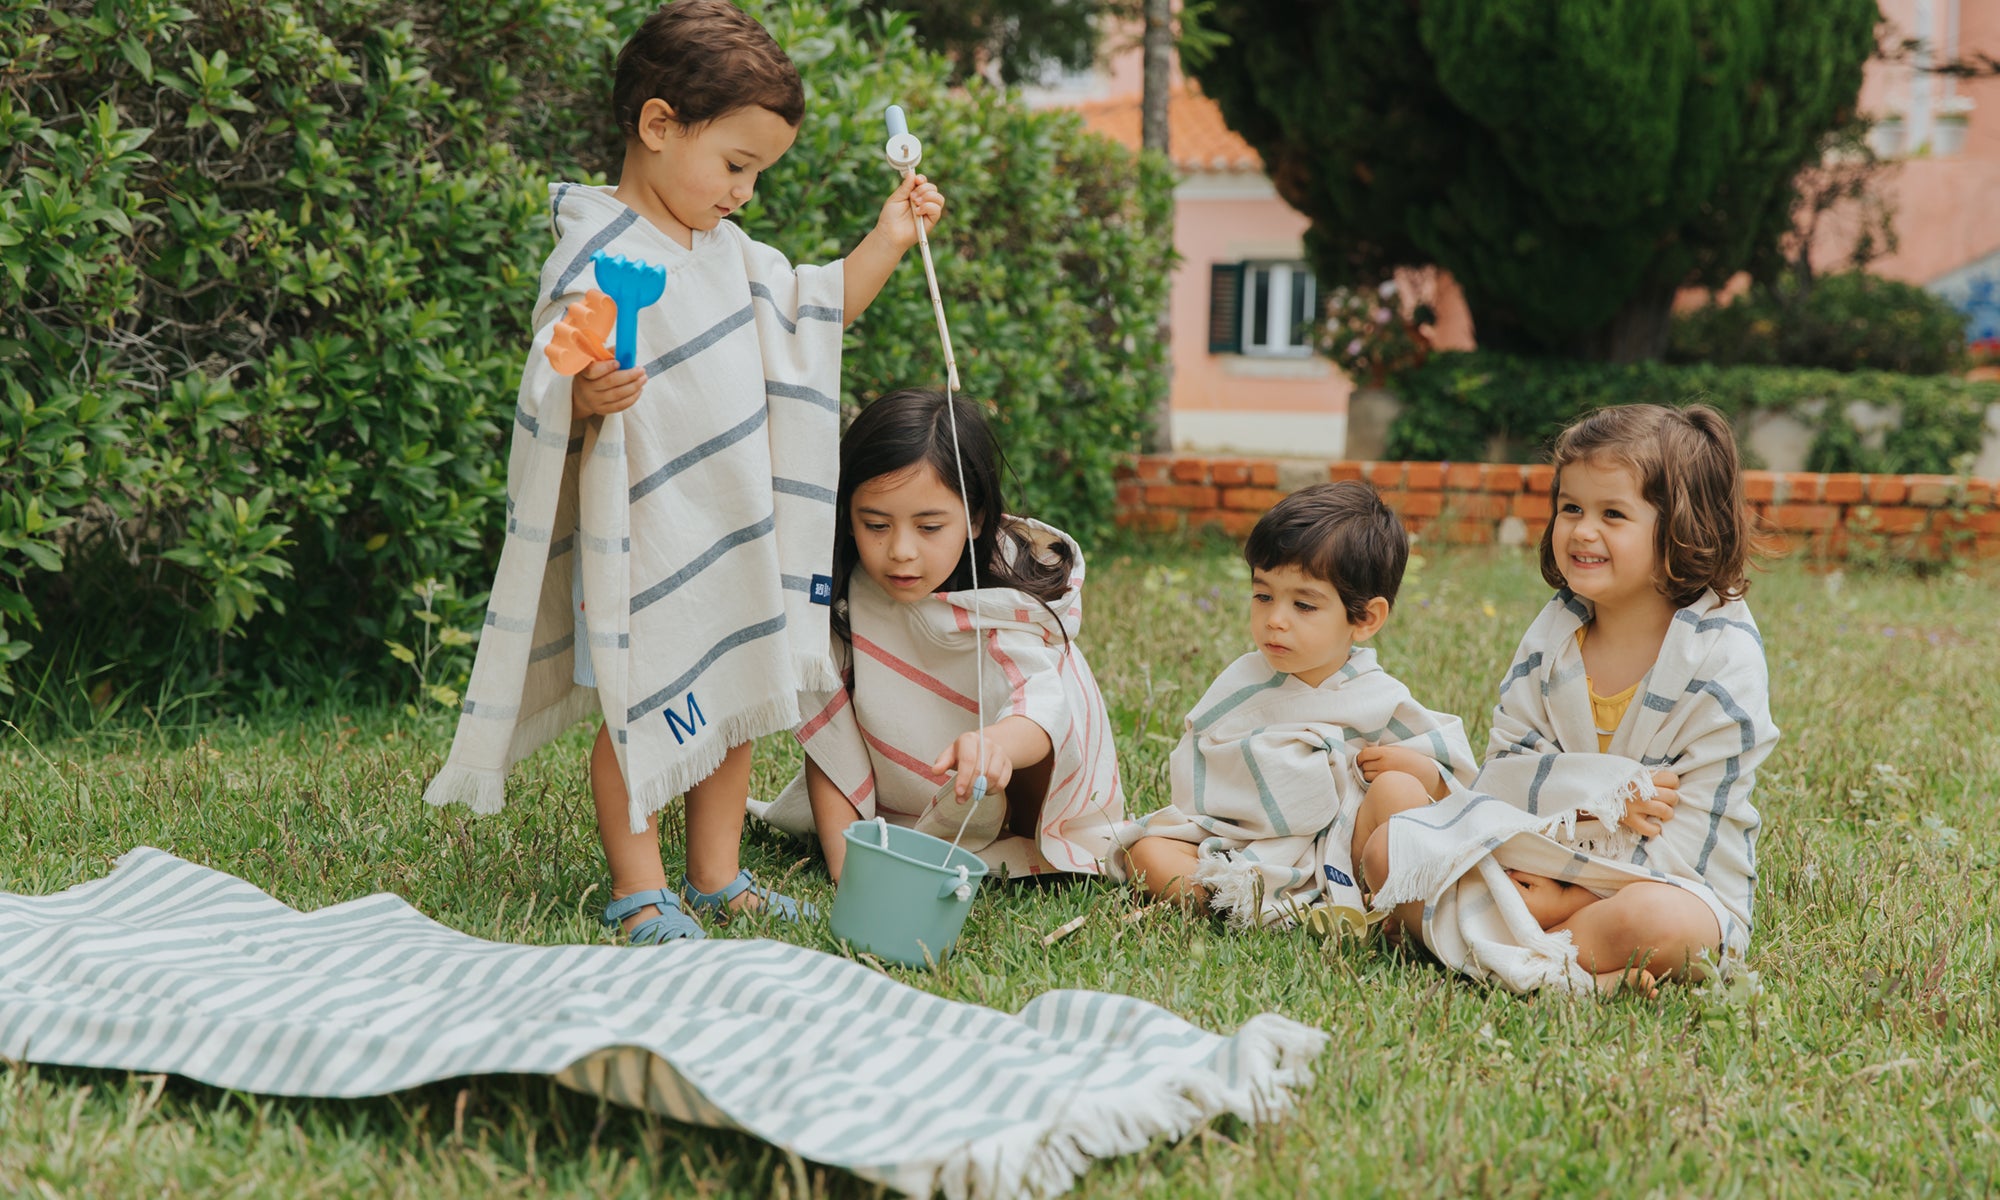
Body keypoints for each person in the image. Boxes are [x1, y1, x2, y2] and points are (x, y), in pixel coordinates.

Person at [424, 0, 946, 945]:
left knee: (737, 703)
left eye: (758, 172)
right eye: (736, 165)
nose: (745, 192)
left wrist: (889, 240)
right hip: (644, 539)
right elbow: (554, 373)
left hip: (728, 531)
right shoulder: (597, 251)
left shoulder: (727, 255)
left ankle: (716, 875)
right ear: (659, 127)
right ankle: (637, 885)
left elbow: (812, 315)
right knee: (642, 711)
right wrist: (585, 396)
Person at [1368, 404, 1779, 996]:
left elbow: (1699, 827)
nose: (1583, 530)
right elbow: (1507, 778)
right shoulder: (1552, 638)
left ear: (1684, 529)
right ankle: (1580, 973)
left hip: (1658, 884)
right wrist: (1594, 803)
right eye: (1570, 508)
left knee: (1663, 927)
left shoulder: (1723, 659)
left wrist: (1572, 895)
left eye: (1613, 514)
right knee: (1390, 852)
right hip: (1530, 863)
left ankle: (1499, 948)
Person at [751, 389, 1124, 880]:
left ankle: (1021, 841)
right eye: (876, 524)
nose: (901, 551)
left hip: (1017, 794)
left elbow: (1042, 704)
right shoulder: (847, 594)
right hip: (904, 806)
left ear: (975, 518)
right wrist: (848, 870)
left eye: (929, 527)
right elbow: (830, 740)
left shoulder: (1001, 599)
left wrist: (996, 745)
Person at [1115, 482, 1476, 930]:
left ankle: (1378, 906)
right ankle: (1232, 901)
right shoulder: (1243, 683)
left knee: (1399, 791)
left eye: (1303, 604)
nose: (1275, 619)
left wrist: (1421, 772)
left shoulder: (1377, 696)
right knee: (1148, 852)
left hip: (1348, 849)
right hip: (1247, 847)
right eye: (1263, 596)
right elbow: (1210, 771)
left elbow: (1460, 797)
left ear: (1364, 619)